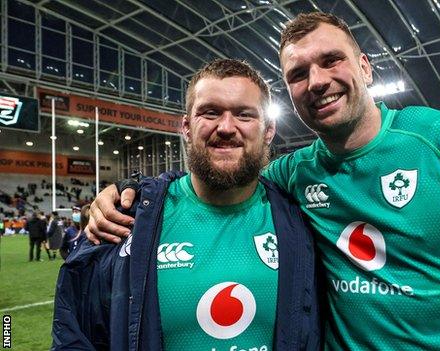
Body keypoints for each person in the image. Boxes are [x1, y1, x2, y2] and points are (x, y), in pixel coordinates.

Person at [88, 12, 440, 349]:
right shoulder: (292, 172)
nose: (316, 80)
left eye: (331, 60)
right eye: (298, 73)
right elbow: (221, 166)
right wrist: (130, 192)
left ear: (365, 67)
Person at [52, 59, 320, 350]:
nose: (226, 127)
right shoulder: (127, 219)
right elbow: (75, 334)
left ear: (268, 130)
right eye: (210, 112)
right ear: (186, 127)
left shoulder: (300, 219)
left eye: (244, 114)